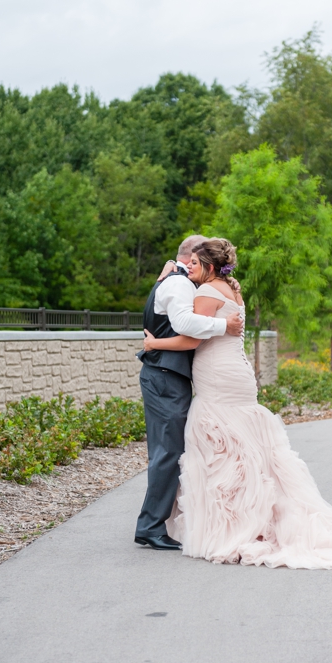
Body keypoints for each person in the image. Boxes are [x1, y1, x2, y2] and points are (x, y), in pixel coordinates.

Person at [140, 238, 332, 568]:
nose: (189, 268)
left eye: (195, 264)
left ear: (208, 266)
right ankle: (258, 516)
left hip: (218, 376)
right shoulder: (233, 288)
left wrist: (154, 343)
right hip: (237, 372)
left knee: (221, 448)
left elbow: (191, 335)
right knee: (244, 448)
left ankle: (237, 523)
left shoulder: (207, 292)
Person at [134, 235, 242, 551]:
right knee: (167, 452)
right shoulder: (179, 284)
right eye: (194, 261)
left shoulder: (179, 280)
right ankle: (150, 527)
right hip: (164, 376)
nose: (196, 267)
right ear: (190, 257)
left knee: (172, 450)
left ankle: (158, 523)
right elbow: (183, 323)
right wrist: (225, 327)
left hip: (171, 377)